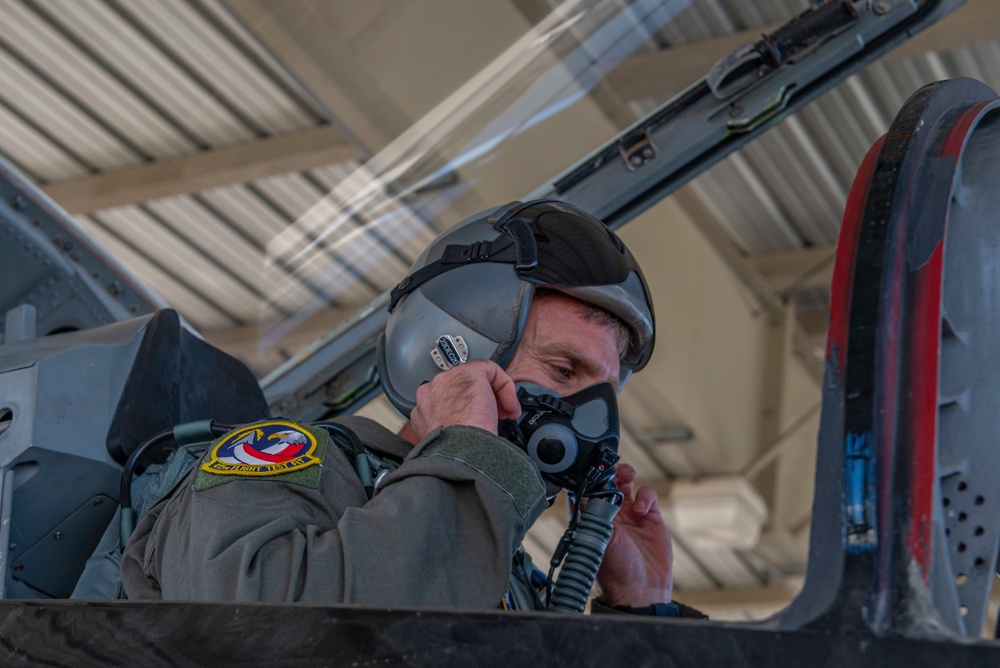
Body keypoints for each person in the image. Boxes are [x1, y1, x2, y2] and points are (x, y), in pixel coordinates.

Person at [121, 199, 699, 618]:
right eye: (563, 371)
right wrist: (465, 462)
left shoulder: (506, 577)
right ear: (455, 354)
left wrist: (642, 609)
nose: (590, 415)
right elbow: (248, 631)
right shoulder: (293, 462)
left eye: (603, 391)